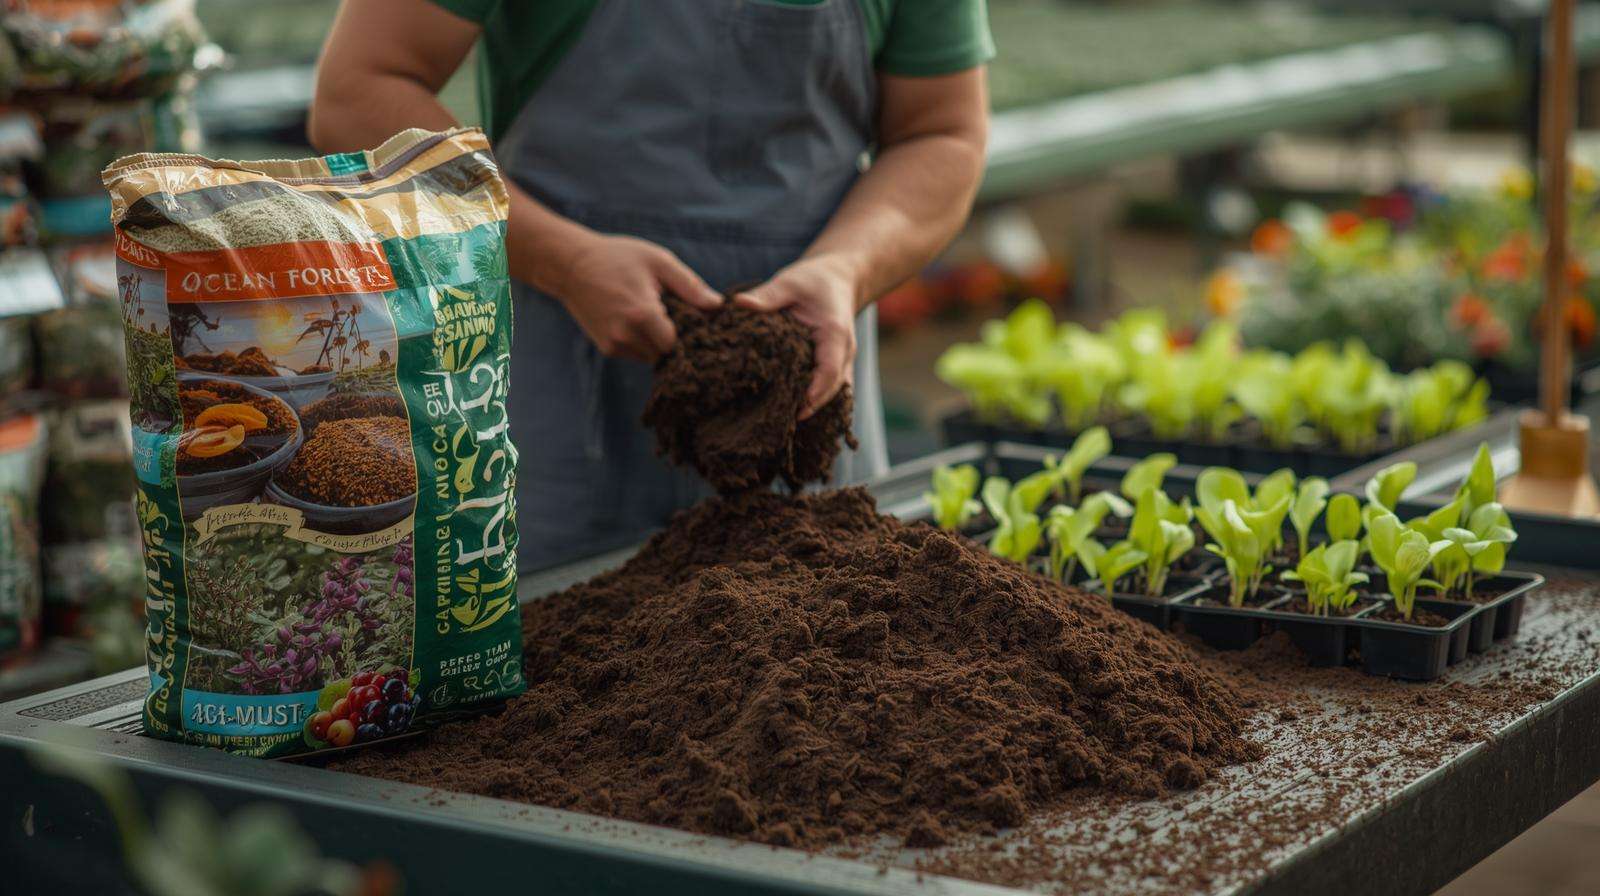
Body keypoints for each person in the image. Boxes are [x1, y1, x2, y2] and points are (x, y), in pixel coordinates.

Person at [310, 0, 992, 570]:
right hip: (561, 395)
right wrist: (567, 261)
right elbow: (358, 90)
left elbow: (943, 133)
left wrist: (845, 269)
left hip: (806, 396)